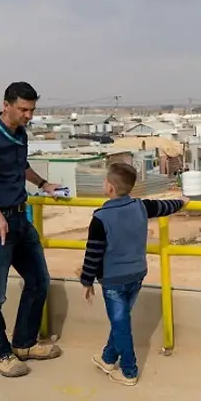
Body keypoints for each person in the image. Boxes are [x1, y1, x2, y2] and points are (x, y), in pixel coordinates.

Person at [0, 81, 64, 377]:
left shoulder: (20, 134)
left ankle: (24, 343)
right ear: (6, 104)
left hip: (21, 219)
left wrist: (44, 184)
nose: (28, 116)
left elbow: (20, 167)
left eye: (32, 110)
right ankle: (0, 352)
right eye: (23, 109)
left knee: (38, 281)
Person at [79, 163, 186, 386]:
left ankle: (129, 371)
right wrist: (182, 202)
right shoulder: (140, 206)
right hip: (137, 274)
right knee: (121, 321)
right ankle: (108, 358)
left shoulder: (100, 218)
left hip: (113, 280)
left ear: (109, 187)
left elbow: (93, 254)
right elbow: (163, 206)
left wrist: (86, 281)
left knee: (121, 325)